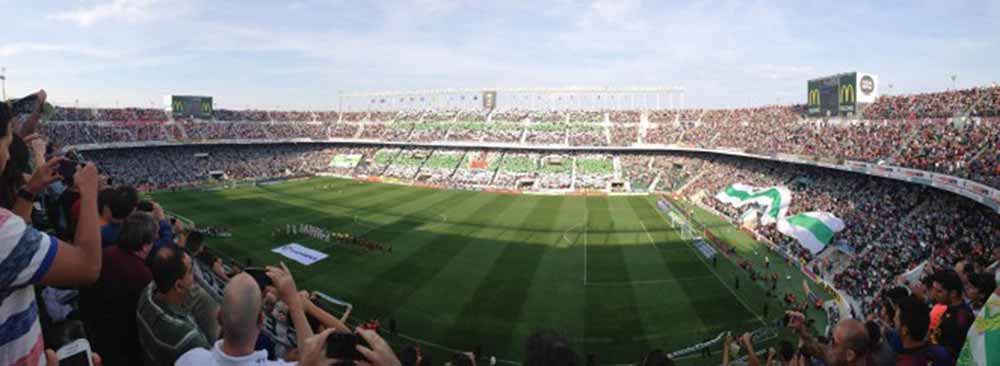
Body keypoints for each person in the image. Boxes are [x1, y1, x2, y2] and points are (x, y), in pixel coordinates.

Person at [0, 101, 103, 365]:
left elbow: (14, 247)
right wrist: (90, 193)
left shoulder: (8, 232)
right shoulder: (4, 234)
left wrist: (30, 189)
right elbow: (88, 266)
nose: (9, 156)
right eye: (6, 144)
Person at [81, 211, 157, 366]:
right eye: (153, 240)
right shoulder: (143, 275)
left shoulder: (104, 254)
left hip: (95, 330)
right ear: (144, 246)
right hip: (122, 344)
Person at [136, 245, 211, 366]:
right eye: (191, 271)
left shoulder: (147, 293)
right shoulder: (188, 338)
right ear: (178, 286)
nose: (195, 277)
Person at [787, 310, 870, 366]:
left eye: (834, 343)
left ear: (850, 355)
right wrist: (801, 329)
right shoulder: (841, 356)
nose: (829, 346)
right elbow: (820, 349)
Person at [891, 295, 950, 366]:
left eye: (896, 318)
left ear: (904, 330)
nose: (893, 320)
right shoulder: (941, 352)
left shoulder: (904, 362)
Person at [929, 270, 974, 358]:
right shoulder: (951, 310)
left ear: (953, 293)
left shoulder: (959, 319)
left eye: (939, 291)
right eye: (933, 289)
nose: (934, 294)